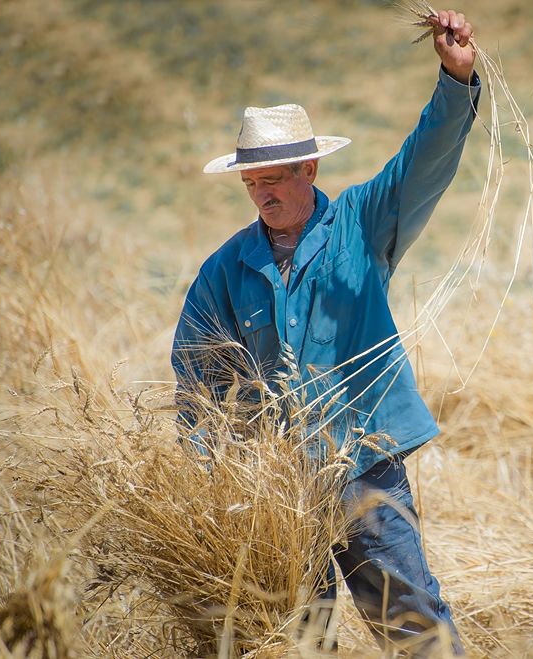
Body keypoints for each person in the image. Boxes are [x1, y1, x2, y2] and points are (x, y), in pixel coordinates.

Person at [170, 9, 478, 656]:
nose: (260, 194)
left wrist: (455, 80)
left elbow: (425, 160)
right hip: (277, 486)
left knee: (411, 617)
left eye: (272, 179)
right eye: (251, 182)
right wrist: (212, 471)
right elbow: (197, 374)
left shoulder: (363, 224)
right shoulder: (226, 270)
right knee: (294, 634)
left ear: (309, 169)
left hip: (365, 465)